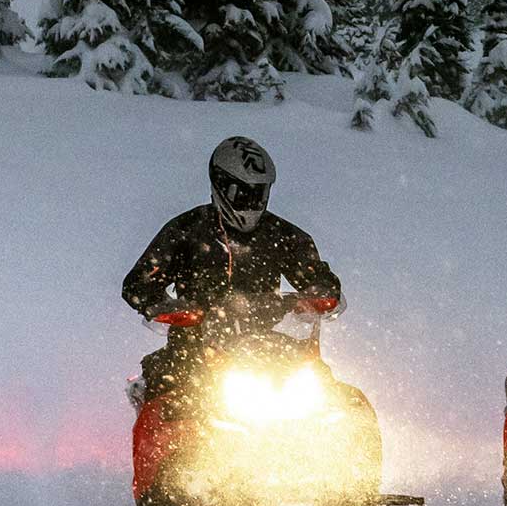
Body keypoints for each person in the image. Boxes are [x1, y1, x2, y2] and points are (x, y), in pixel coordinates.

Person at [120, 136, 343, 405]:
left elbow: (313, 273)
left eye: (258, 193)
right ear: (221, 186)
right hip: (196, 347)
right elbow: (138, 283)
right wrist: (165, 306)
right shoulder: (187, 231)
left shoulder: (283, 235)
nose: (252, 202)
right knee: (167, 398)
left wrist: (321, 292)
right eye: (243, 193)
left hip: (265, 344)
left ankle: (351, 445)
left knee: (328, 391)